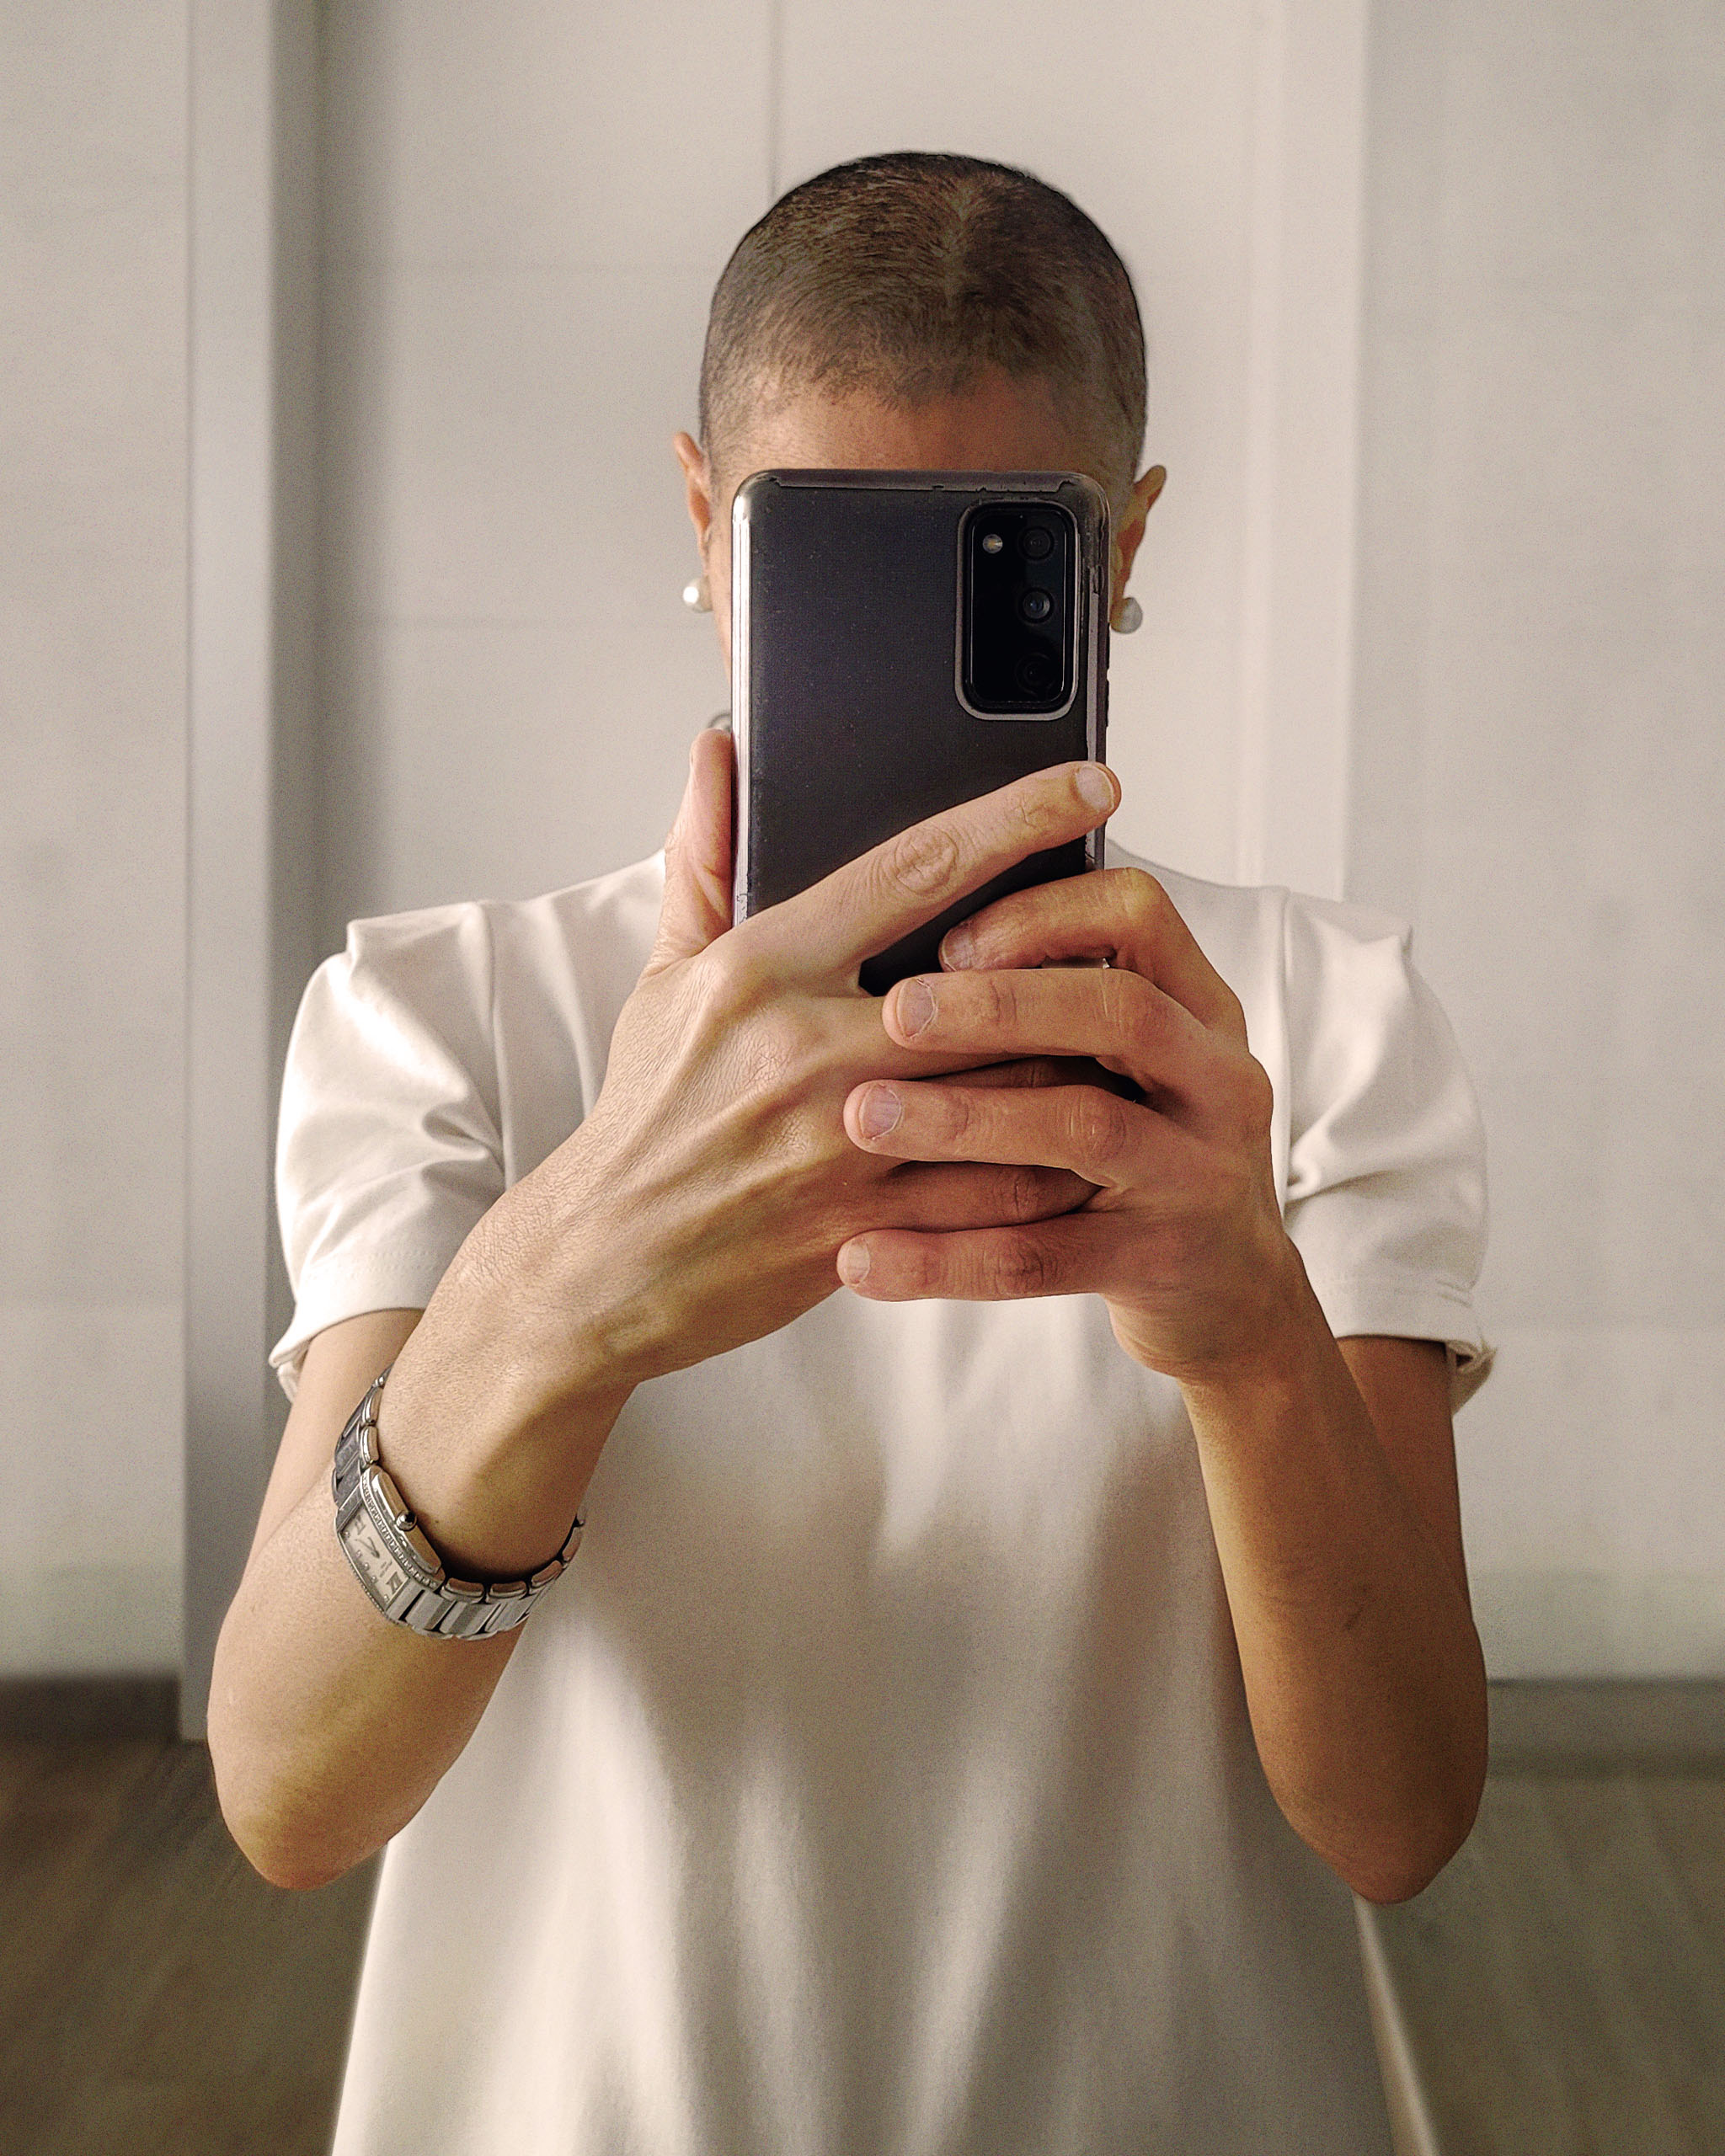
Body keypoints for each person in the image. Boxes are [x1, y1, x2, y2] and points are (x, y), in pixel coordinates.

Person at [209, 152, 1493, 2155]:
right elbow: (288, 1792)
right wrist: (562, 1277)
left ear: (1120, 546)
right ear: (706, 526)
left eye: (994, 549)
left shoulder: (1314, 1026)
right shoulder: (436, 1017)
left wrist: (1249, 1333)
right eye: (827, 548)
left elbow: (1399, 1817)